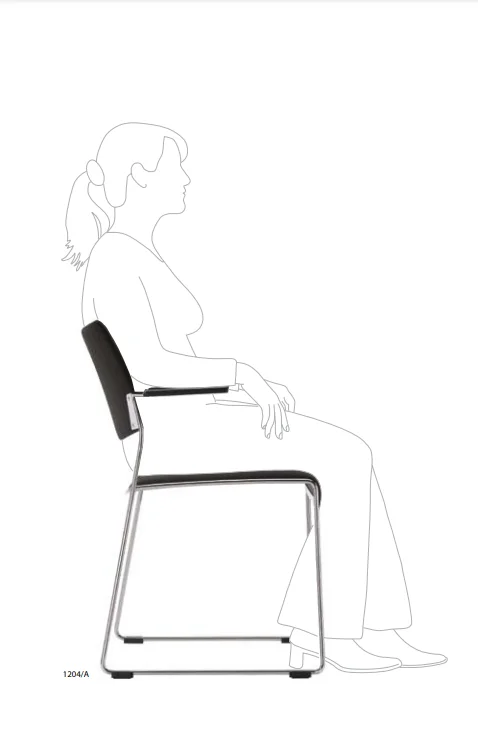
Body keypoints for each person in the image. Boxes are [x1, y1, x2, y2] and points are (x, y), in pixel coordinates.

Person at [64, 122, 446, 672]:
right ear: (141, 176)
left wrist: (245, 389)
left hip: (188, 419)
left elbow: (166, 365)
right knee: (347, 457)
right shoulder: (116, 257)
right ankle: (325, 633)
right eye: (175, 166)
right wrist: (242, 375)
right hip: (172, 433)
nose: (186, 177)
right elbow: (148, 364)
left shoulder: (132, 252)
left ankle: (376, 627)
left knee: (353, 454)